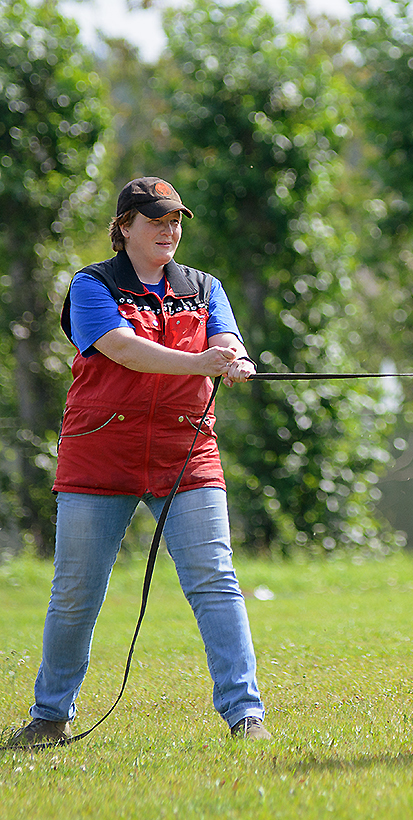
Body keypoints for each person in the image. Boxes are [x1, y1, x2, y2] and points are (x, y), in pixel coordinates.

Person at [6, 177, 270, 747]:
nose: (170, 231)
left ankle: (245, 715)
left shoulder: (204, 287)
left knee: (216, 580)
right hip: (101, 451)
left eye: (176, 221)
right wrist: (203, 361)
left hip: (187, 450)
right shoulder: (89, 285)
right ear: (124, 227)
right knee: (77, 590)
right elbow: (123, 349)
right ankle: (51, 715)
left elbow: (229, 341)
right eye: (156, 221)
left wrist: (234, 359)